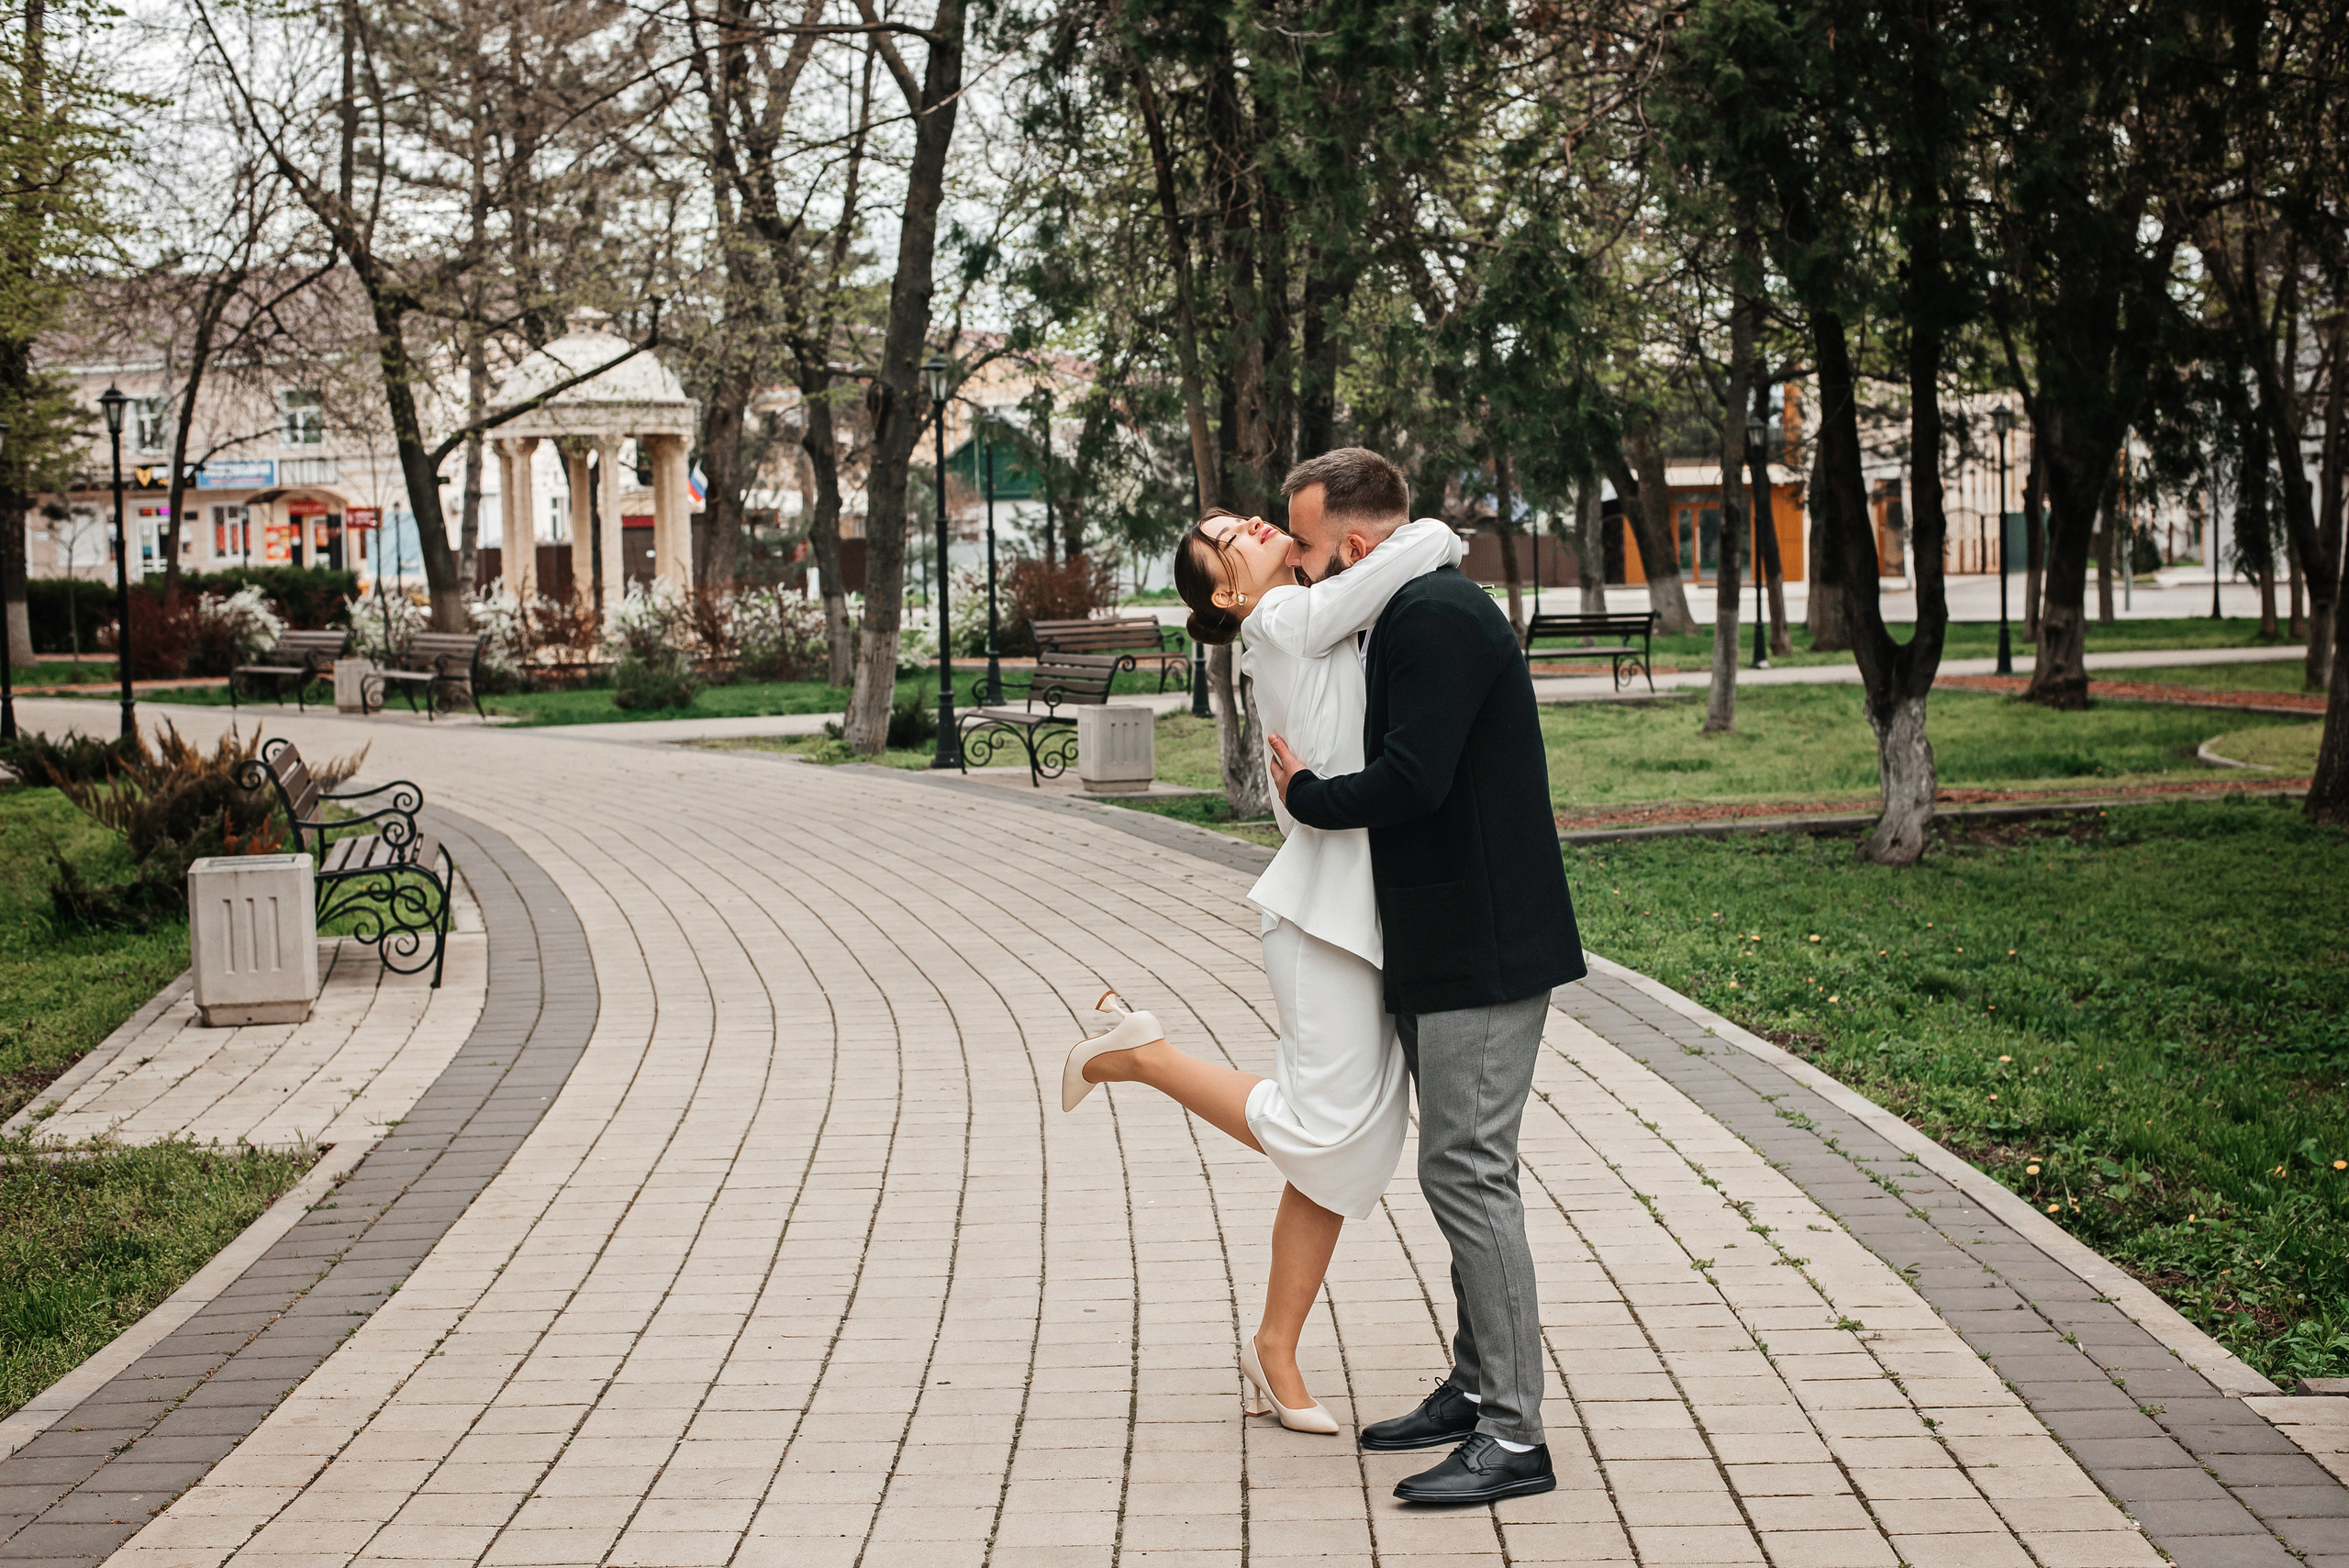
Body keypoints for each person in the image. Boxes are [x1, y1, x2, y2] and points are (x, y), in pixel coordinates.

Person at [1063, 500, 1462, 1435]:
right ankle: (1141, 1056)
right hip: (1319, 917)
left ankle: (1272, 1345)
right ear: (1231, 590)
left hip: (1356, 913)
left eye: (1241, 517)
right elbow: (1395, 567)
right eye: (1230, 535)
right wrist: (1429, 534)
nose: (1249, 521)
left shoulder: (1311, 618)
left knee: (1345, 1146)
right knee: (1327, 1128)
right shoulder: (1279, 619)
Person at [1268, 446, 1586, 1506]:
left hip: (1482, 941)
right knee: (1459, 1167)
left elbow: (1414, 776)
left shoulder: (1433, 617)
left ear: (1355, 544)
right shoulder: (1407, 609)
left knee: (1468, 1172)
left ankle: (1513, 1435)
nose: (1305, 572)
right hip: (1442, 933)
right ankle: (1473, 1383)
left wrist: (1308, 795)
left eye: (1308, 550)